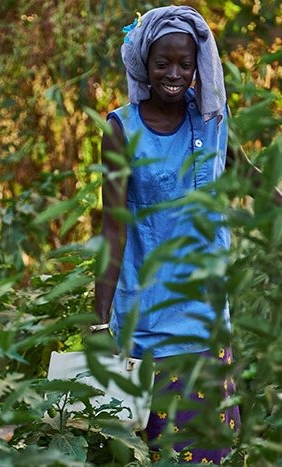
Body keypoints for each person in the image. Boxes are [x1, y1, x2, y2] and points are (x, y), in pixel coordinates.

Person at [93, 5, 242, 464]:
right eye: (163, 63)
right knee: (157, 450)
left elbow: (244, 170)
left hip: (208, 319)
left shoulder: (212, 116)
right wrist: (99, 322)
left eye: (185, 63)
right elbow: (112, 229)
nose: (174, 73)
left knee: (213, 449)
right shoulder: (122, 129)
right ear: (144, 63)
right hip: (149, 327)